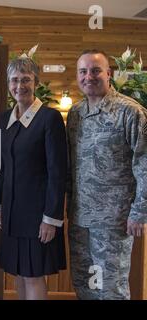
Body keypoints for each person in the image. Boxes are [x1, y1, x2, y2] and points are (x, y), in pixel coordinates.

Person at [66, 49, 147, 300]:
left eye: (95, 70)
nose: (88, 76)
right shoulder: (75, 114)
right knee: (85, 285)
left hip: (114, 222)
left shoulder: (130, 112)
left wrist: (139, 212)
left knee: (111, 288)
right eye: (83, 71)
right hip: (80, 219)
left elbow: (144, 163)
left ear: (108, 74)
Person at [0, 57, 67, 300]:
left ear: (36, 82)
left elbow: (58, 172)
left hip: (38, 216)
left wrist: (51, 218)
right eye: (14, 80)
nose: (19, 85)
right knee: (19, 274)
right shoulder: (4, 120)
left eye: (26, 79)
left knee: (34, 275)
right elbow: (1, 166)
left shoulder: (50, 119)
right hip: (12, 213)